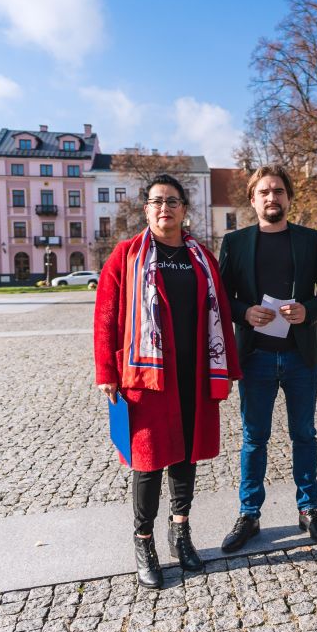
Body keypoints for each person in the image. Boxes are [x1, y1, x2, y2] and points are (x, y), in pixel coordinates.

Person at [93, 173, 240, 589]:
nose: (165, 208)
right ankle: (144, 542)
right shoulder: (126, 255)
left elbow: (221, 310)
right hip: (146, 375)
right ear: (146, 209)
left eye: (172, 201)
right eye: (157, 201)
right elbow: (105, 316)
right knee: (147, 461)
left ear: (183, 209)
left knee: (185, 455)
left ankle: (180, 532)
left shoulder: (201, 257)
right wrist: (106, 371)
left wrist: (225, 363)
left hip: (193, 371)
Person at [218, 165, 317, 552]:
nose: (272, 198)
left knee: (304, 434)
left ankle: (309, 509)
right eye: (264, 192)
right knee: (255, 438)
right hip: (256, 357)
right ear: (253, 199)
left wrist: (309, 309)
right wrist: (244, 312)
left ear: (289, 197)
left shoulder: (310, 240)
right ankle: (249, 514)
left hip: (301, 355)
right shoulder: (235, 243)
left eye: (279, 192)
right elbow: (221, 297)